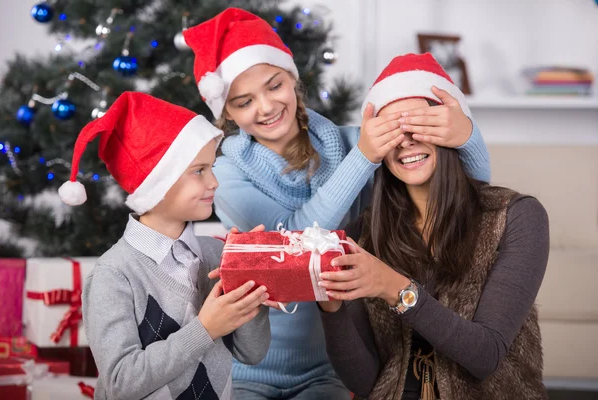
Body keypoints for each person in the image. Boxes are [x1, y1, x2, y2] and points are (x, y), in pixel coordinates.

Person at [183, 8, 491, 399]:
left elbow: (471, 191)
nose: (265, 107)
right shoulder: (226, 173)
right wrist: (362, 159)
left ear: (293, 80)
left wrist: (466, 134)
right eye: (243, 102)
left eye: (274, 85)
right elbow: (293, 241)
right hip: (248, 366)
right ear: (226, 112)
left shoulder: (351, 142)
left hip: (334, 365)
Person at [317, 53, 549, 400]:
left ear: (449, 131)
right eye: (392, 129)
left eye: (419, 125)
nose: (406, 139)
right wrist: (330, 309)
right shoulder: (362, 234)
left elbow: (485, 355)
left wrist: (394, 288)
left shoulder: (516, 217)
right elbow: (366, 383)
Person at [58, 92, 271, 399]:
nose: (214, 182)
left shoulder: (216, 254)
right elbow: (120, 383)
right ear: (157, 184)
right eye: (199, 170)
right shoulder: (114, 274)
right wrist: (205, 329)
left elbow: (253, 353)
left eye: (211, 168)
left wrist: (252, 280)